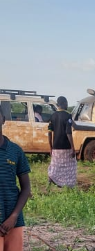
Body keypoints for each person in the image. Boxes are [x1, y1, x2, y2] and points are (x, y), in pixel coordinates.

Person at [0, 104, 31, 251]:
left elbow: (26, 188)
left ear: (3, 119)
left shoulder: (15, 151)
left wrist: (14, 216)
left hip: (13, 222)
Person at [48, 96, 77, 188]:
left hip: (56, 147)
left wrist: (50, 147)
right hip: (66, 147)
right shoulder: (67, 115)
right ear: (64, 103)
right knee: (70, 167)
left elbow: (49, 133)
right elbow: (68, 132)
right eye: (67, 102)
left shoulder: (52, 116)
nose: (67, 104)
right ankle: (68, 185)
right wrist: (72, 147)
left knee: (55, 166)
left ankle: (50, 182)